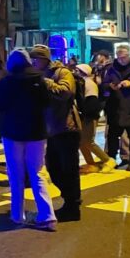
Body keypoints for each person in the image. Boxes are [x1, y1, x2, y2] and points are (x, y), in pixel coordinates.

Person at [0, 49, 57, 231]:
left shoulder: (7, 81)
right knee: (38, 172)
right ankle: (47, 216)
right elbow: (47, 103)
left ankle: (17, 214)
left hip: (12, 132)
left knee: (16, 173)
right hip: (36, 131)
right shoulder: (39, 79)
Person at [30, 45, 83, 222]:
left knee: (69, 169)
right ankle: (70, 200)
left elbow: (66, 92)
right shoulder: (38, 75)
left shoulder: (62, 72)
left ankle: (73, 206)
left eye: (36, 59)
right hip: (50, 129)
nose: (33, 62)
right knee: (53, 168)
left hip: (67, 127)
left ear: (44, 59)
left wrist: (43, 81)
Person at [75, 64, 113, 173]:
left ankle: (108, 160)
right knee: (82, 142)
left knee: (88, 141)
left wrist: (86, 115)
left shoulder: (88, 84)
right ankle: (91, 164)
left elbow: (91, 103)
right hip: (86, 116)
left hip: (89, 117)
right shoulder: (83, 83)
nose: (75, 72)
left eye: (77, 70)